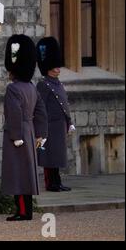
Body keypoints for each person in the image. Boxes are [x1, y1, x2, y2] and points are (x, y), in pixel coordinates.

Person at [1, 35, 48, 221]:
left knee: (17, 173)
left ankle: (21, 211)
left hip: (18, 133)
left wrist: (16, 135)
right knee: (27, 172)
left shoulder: (13, 89)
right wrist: (41, 133)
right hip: (29, 131)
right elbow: (41, 111)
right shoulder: (31, 87)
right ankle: (26, 210)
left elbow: (14, 114)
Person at [36, 37, 75, 192]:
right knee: (49, 156)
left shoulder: (58, 83)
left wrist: (69, 121)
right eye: (55, 66)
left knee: (57, 156)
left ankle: (57, 182)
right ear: (49, 67)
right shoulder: (43, 84)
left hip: (59, 125)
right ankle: (50, 183)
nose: (58, 68)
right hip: (49, 126)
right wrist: (41, 128)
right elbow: (40, 107)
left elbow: (64, 104)